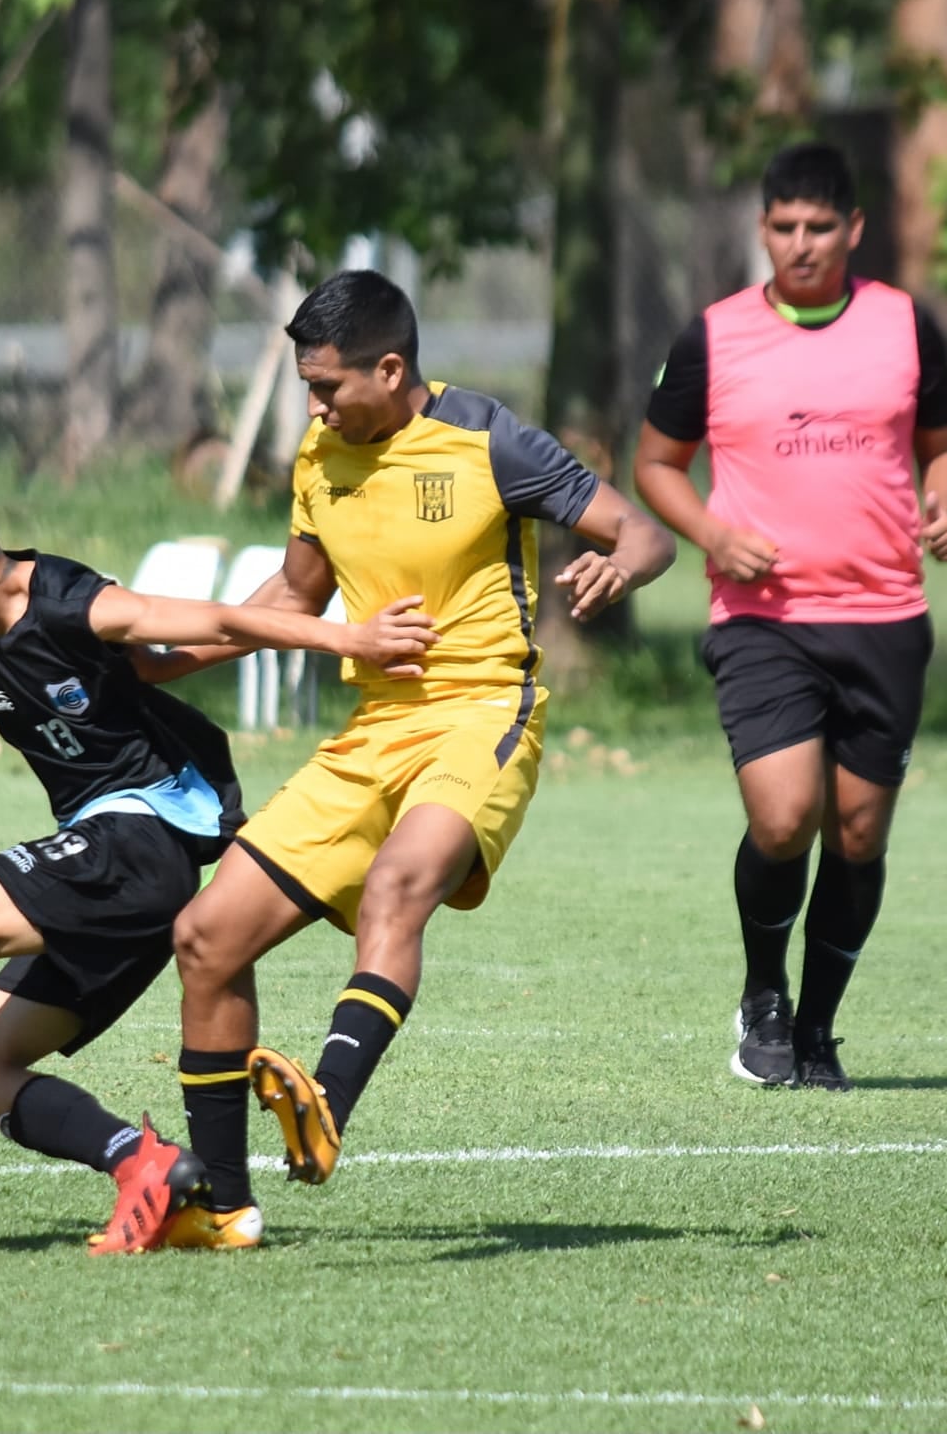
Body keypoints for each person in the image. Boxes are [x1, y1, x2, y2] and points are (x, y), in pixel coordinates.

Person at [0, 460, 441, 1254]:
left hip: (144, 836)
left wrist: (351, 638)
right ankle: (141, 1166)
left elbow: (218, 622)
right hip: (122, 877)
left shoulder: (76, 603)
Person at [152, 269, 674, 1242]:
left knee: (396, 887)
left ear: (390, 369)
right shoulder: (320, 452)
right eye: (306, 386)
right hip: (369, 731)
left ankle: (325, 1108)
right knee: (204, 938)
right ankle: (222, 1208)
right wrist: (166, 661)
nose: (313, 406)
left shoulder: (486, 441)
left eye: (328, 387)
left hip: (482, 713)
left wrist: (618, 562)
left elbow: (640, 530)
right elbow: (295, 597)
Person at [633, 142, 947, 1092]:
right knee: (784, 820)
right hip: (764, 619)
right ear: (763, 229)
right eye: (784, 227)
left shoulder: (907, 328)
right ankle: (762, 998)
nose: (801, 244)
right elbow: (655, 464)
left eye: (820, 227)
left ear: (853, 230)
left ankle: (818, 1030)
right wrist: (713, 531)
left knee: (859, 837)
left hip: (886, 618)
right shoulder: (714, 336)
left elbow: (946, 452)